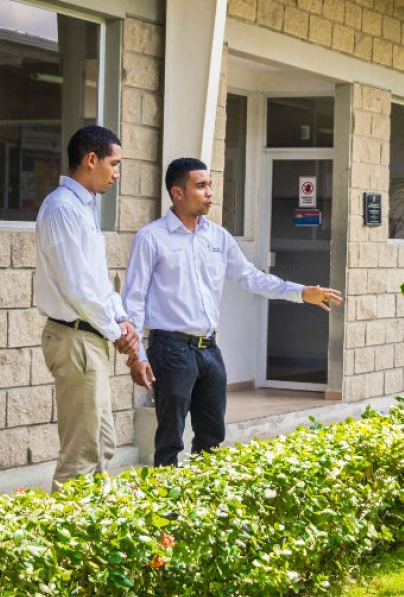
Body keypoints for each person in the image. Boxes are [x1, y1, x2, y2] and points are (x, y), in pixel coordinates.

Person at [122, 157, 343, 467]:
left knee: (212, 436)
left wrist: (300, 292)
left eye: (209, 185)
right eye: (200, 186)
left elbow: (250, 277)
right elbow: (133, 299)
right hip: (170, 349)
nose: (210, 192)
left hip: (209, 349)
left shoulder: (218, 237)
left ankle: (204, 505)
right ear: (177, 193)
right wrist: (138, 356)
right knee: (170, 439)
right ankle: (166, 511)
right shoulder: (151, 237)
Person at [35, 125, 140, 491]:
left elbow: (97, 280)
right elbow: (77, 289)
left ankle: (92, 538)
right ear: (90, 159)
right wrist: (118, 334)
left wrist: (122, 320)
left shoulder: (84, 207)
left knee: (100, 447)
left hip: (91, 337)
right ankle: (61, 542)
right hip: (76, 337)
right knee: (79, 457)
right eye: (113, 163)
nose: (117, 173)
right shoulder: (63, 209)